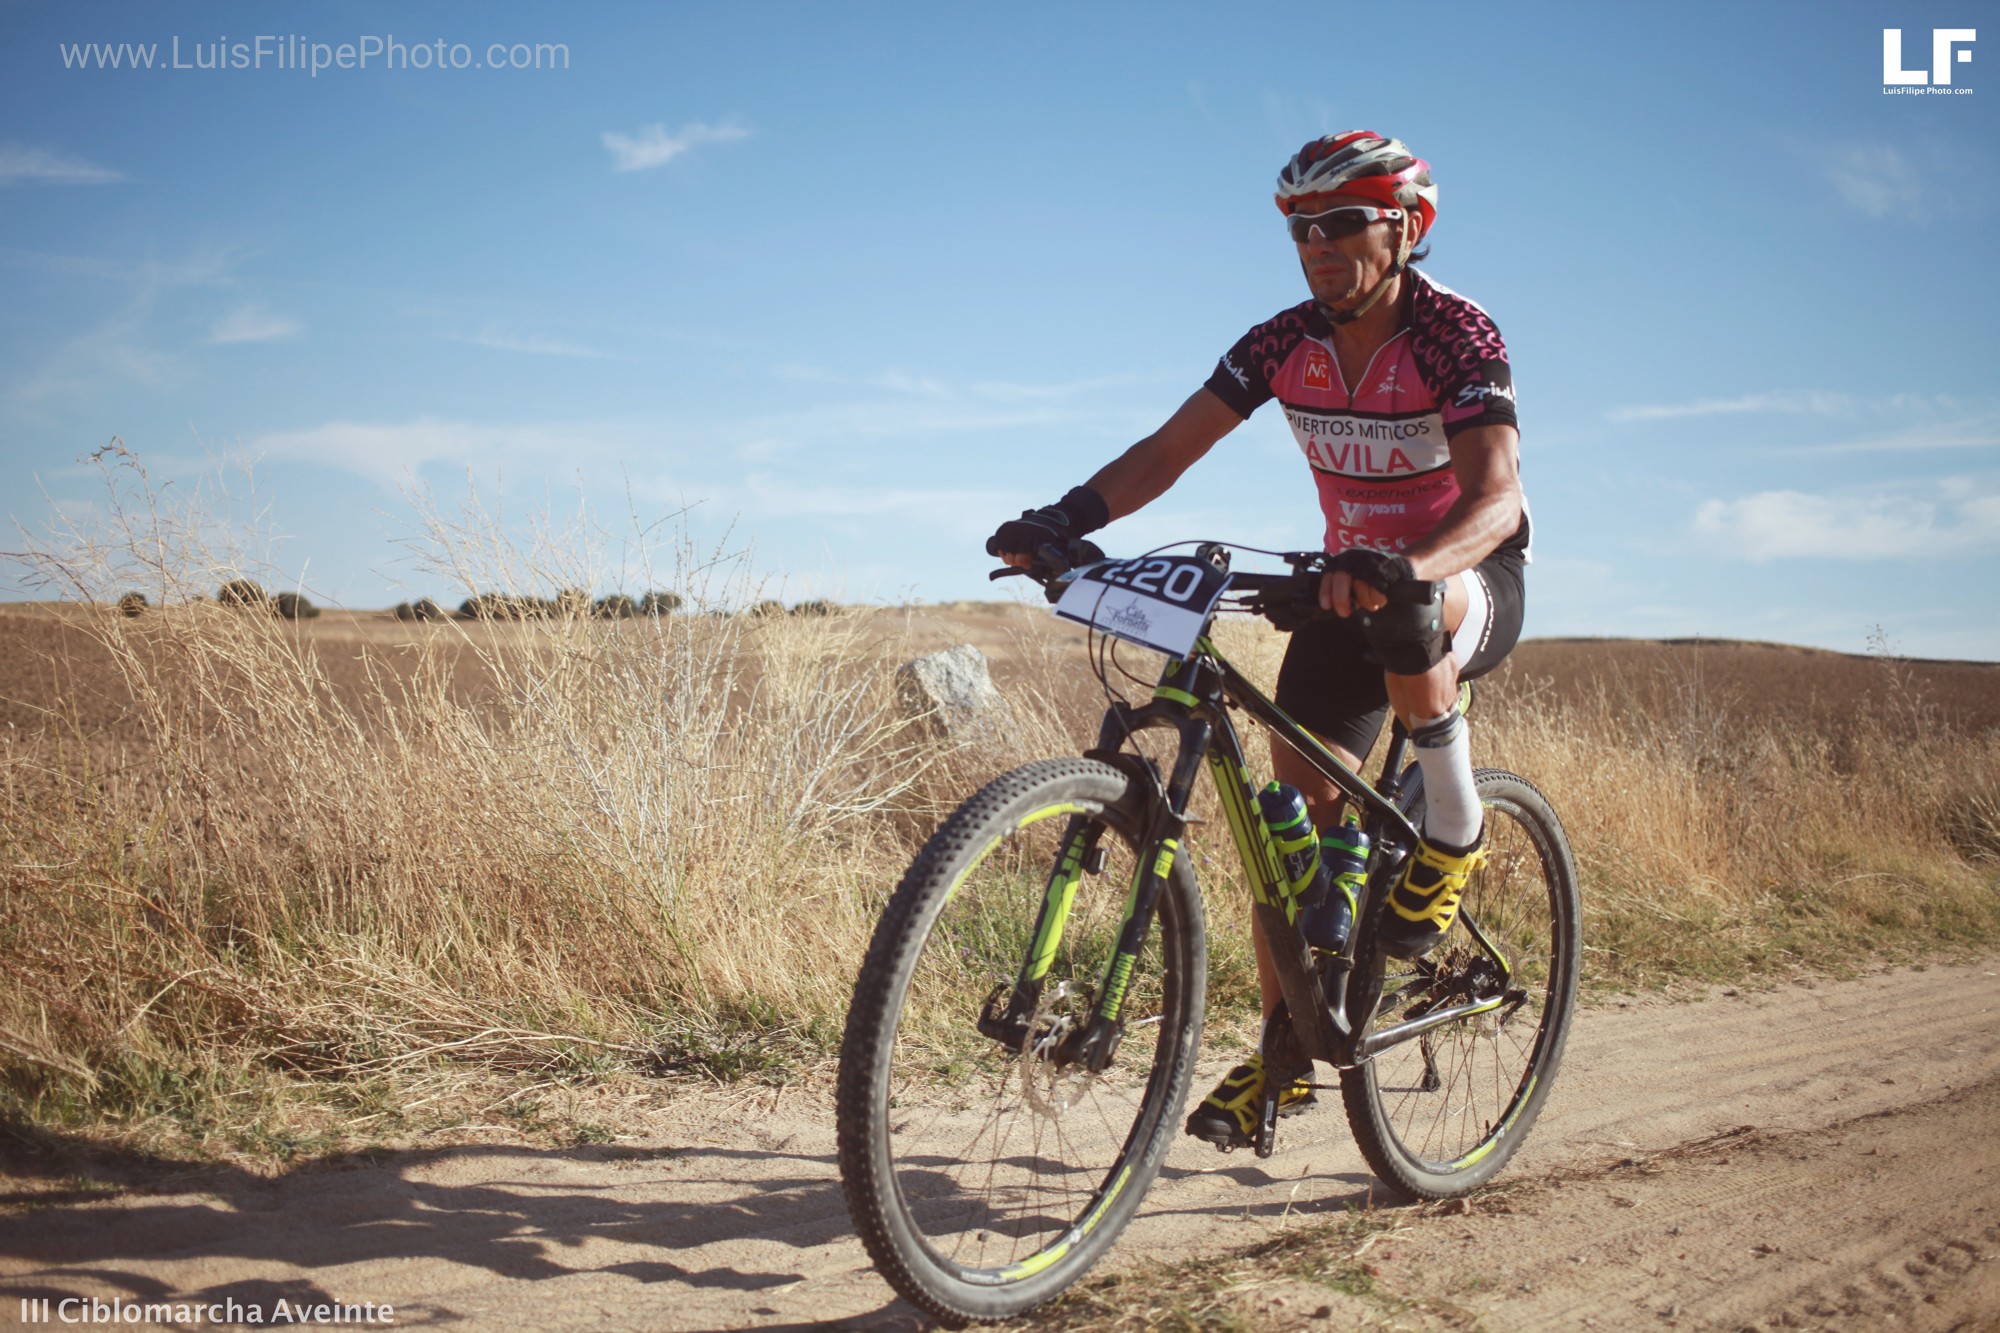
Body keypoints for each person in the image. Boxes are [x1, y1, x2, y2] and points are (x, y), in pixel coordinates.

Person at [986, 130, 1529, 1150]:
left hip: (1456, 582)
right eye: (1297, 228)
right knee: (1291, 843)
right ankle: (1283, 1056)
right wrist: (1065, 518)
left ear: (1403, 226)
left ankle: (1453, 831)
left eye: (1339, 223)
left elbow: (1498, 500)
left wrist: (1409, 564)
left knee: (1406, 610)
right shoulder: (1279, 342)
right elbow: (1169, 447)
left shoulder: (1452, 331)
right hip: (1338, 592)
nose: (1315, 245)